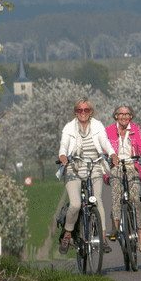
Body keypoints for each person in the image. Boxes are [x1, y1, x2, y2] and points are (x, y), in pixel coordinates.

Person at [58, 97, 118, 255]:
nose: (83, 113)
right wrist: (63, 155)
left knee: (97, 200)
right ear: (75, 112)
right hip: (74, 168)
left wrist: (112, 153)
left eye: (86, 110)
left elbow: (105, 142)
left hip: (94, 167)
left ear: (91, 112)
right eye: (80, 110)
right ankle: (68, 233)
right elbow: (64, 144)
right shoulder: (69, 128)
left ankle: (102, 237)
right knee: (75, 204)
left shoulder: (97, 125)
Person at [105, 101, 141, 252]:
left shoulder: (136, 130)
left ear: (131, 116)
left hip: (133, 166)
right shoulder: (109, 131)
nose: (123, 117)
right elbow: (104, 148)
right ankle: (115, 227)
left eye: (126, 114)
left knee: (135, 197)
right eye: (121, 114)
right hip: (115, 167)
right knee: (116, 192)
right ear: (115, 116)